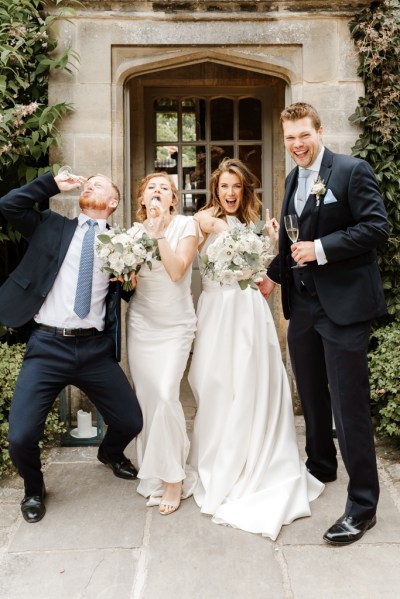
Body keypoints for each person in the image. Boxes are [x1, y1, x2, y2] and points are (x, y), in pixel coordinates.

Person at [261, 102, 389, 545]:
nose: (297, 145)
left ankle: (363, 504)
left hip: (345, 307)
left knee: (347, 404)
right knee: (311, 394)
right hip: (304, 307)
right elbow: (291, 240)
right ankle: (320, 465)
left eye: (304, 135)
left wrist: (322, 248)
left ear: (319, 130)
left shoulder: (351, 170)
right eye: (290, 138)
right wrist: (270, 277)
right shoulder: (294, 178)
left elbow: (377, 227)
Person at [188, 158, 324, 540]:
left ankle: (258, 458)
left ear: (244, 189)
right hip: (217, 313)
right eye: (224, 186)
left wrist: (269, 241)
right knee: (216, 384)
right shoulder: (201, 221)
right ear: (215, 188)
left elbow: (262, 278)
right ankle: (222, 460)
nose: (230, 193)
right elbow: (182, 262)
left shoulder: (251, 221)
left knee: (254, 385)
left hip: (250, 312)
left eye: (237, 187)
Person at [0, 172, 143, 523]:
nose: (90, 185)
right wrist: (51, 184)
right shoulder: (51, 226)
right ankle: (34, 487)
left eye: (100, 184)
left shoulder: (123, 245)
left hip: (94, 349)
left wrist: (130, 281)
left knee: (131, 421)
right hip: (47, 346)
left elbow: (124, 293)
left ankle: (109, 454)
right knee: (20, 437)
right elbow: (8, 204)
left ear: (113, 202)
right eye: (88, 182)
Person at [126, 172, 198, 515]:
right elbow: (127, 282)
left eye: (164, 189)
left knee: (168, 393)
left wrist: (158, 236)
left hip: (175, 326)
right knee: (149, 398)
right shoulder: (132, 234)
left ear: (173, 199)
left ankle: (174, 477)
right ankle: (154, 466)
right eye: (151, 188)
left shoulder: (186, 226)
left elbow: (176, 272)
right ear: (142, 200)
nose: (157, 192)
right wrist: (124, 272)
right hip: (142, 323)